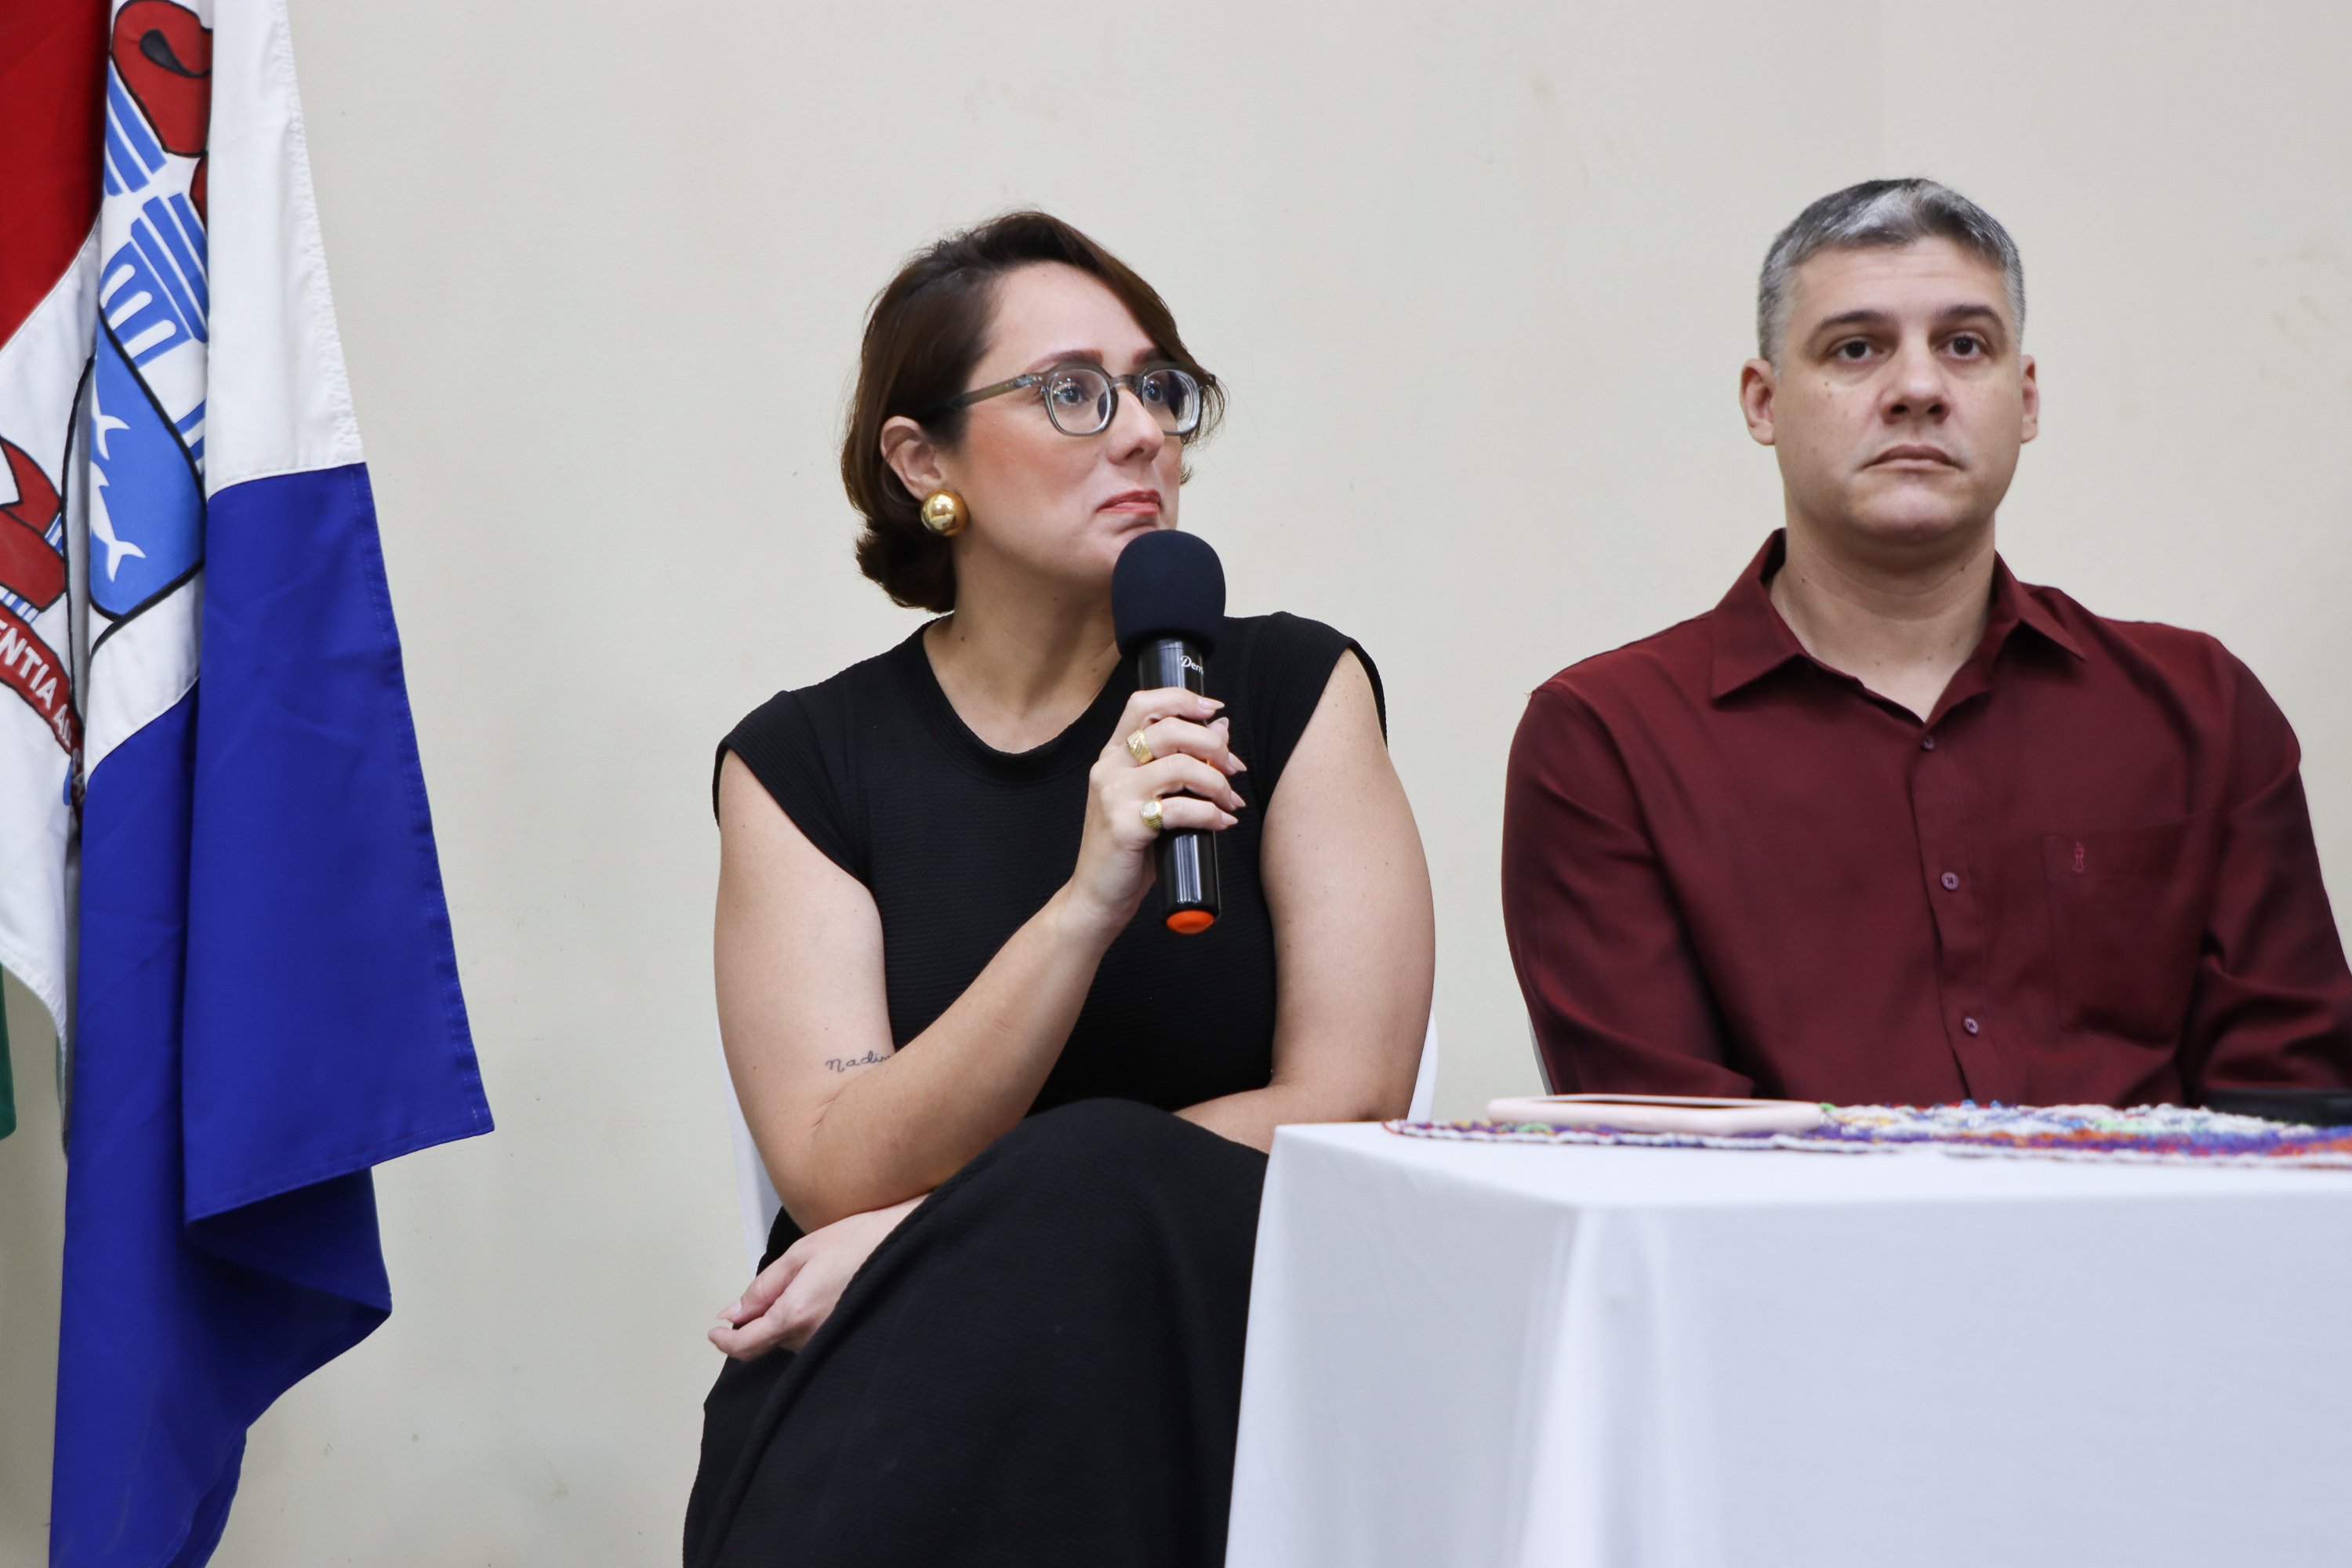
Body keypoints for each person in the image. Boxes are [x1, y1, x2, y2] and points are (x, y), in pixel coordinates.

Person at [687, 212, 1435, 1566]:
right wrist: (1086, 903)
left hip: (1227, 1331)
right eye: (1074, 393)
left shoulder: (1289, 691)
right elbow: (839, 1168)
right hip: (890, 1359)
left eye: (1158, 388)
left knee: (1096, 1164)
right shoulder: (803, 765)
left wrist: (931, 1232)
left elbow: (1351, 1098)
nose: (1144, 433)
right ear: (924, 462)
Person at [1501, 178, 2352, 1108]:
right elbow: (1660, 1145)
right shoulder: (1607, 740)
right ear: (1764, 402)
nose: (1917, 389)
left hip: (2160, 1212)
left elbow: (2293, 1109)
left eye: (1965, 345)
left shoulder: (2201, 710)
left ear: (2025, 398)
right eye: (1856, 348)